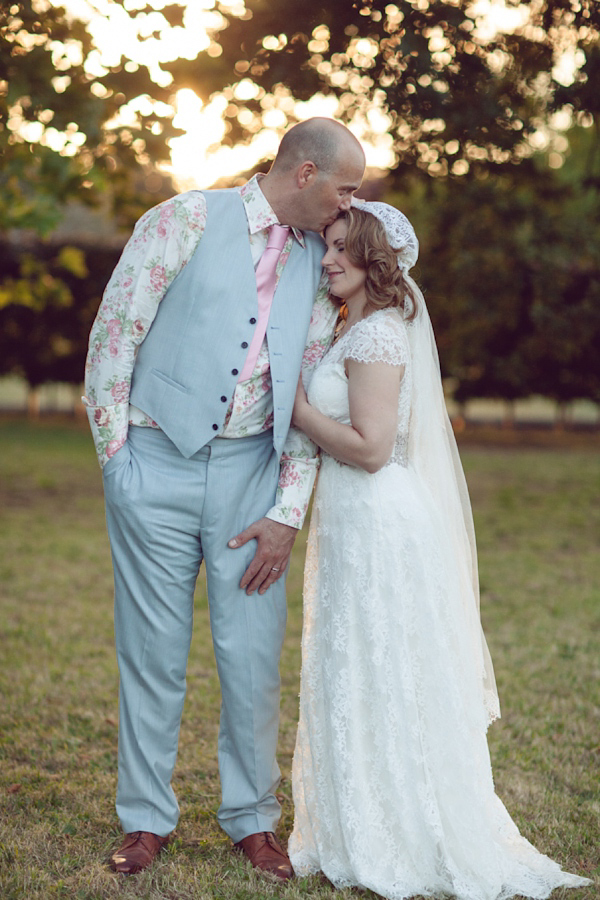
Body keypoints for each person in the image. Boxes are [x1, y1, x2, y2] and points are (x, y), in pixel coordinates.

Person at [83, 117, 365, 879]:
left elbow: (307, 383)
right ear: (304, 174)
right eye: (345, 187)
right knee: (151, 654)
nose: (351, 204)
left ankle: (252, 821)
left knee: (250, 657)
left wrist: (285, 511)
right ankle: (144, 820)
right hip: (154, 463)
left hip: (251, 476)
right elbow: (115, 336)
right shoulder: (182, 219)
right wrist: (119, 462)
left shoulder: (320, 258)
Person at [288, 201, 592, 899]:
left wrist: (298, 412)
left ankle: (404, 829)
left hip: (378, 523)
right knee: (357, 667)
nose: (327, 259)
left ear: (373, 262)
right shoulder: (353, 325)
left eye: (341, 249)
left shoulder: (379, 338)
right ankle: (358, 821)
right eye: (326, 247)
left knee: (387, 670)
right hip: (353, 522)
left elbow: (368, 448)